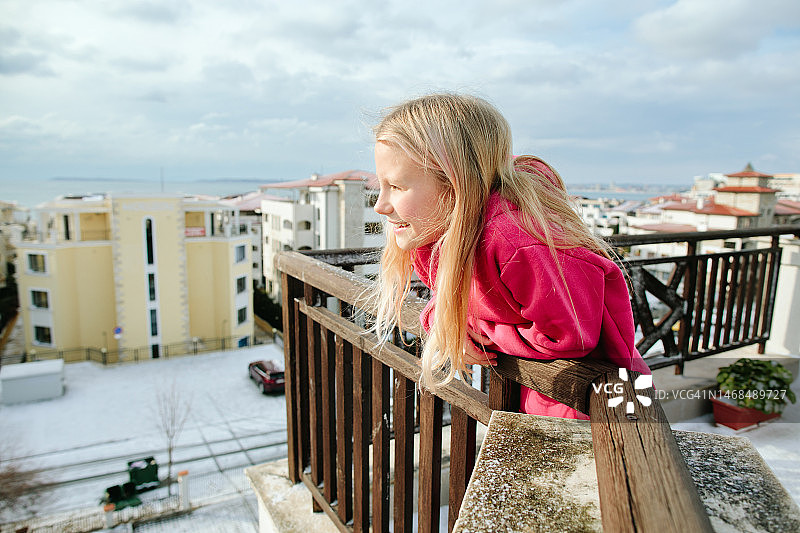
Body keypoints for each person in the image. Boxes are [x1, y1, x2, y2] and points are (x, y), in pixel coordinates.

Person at [370, 93, 650, 420]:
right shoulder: (453, 233)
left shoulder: (515, 241)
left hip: (597, 407)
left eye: (397, 187)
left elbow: (568, 335)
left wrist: (476, 328)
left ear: (456, 182)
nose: (380, 204)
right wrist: (444, 318)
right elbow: (462, 296)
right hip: (543, 398)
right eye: (381, 186)